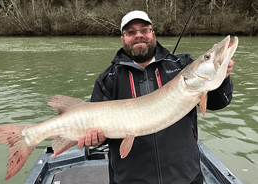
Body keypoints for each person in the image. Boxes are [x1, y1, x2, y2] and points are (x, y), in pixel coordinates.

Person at [77, 10, 234, 184]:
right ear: (123, 39)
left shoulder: (182, 65)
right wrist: (95, 140)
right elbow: (100, 133)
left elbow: (219, 102)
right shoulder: (108, 79)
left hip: (186, 177)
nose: (138, 35)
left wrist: (223, 77)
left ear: (153, 33)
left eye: (144, 29)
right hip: (130, 180)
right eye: (131, 32)